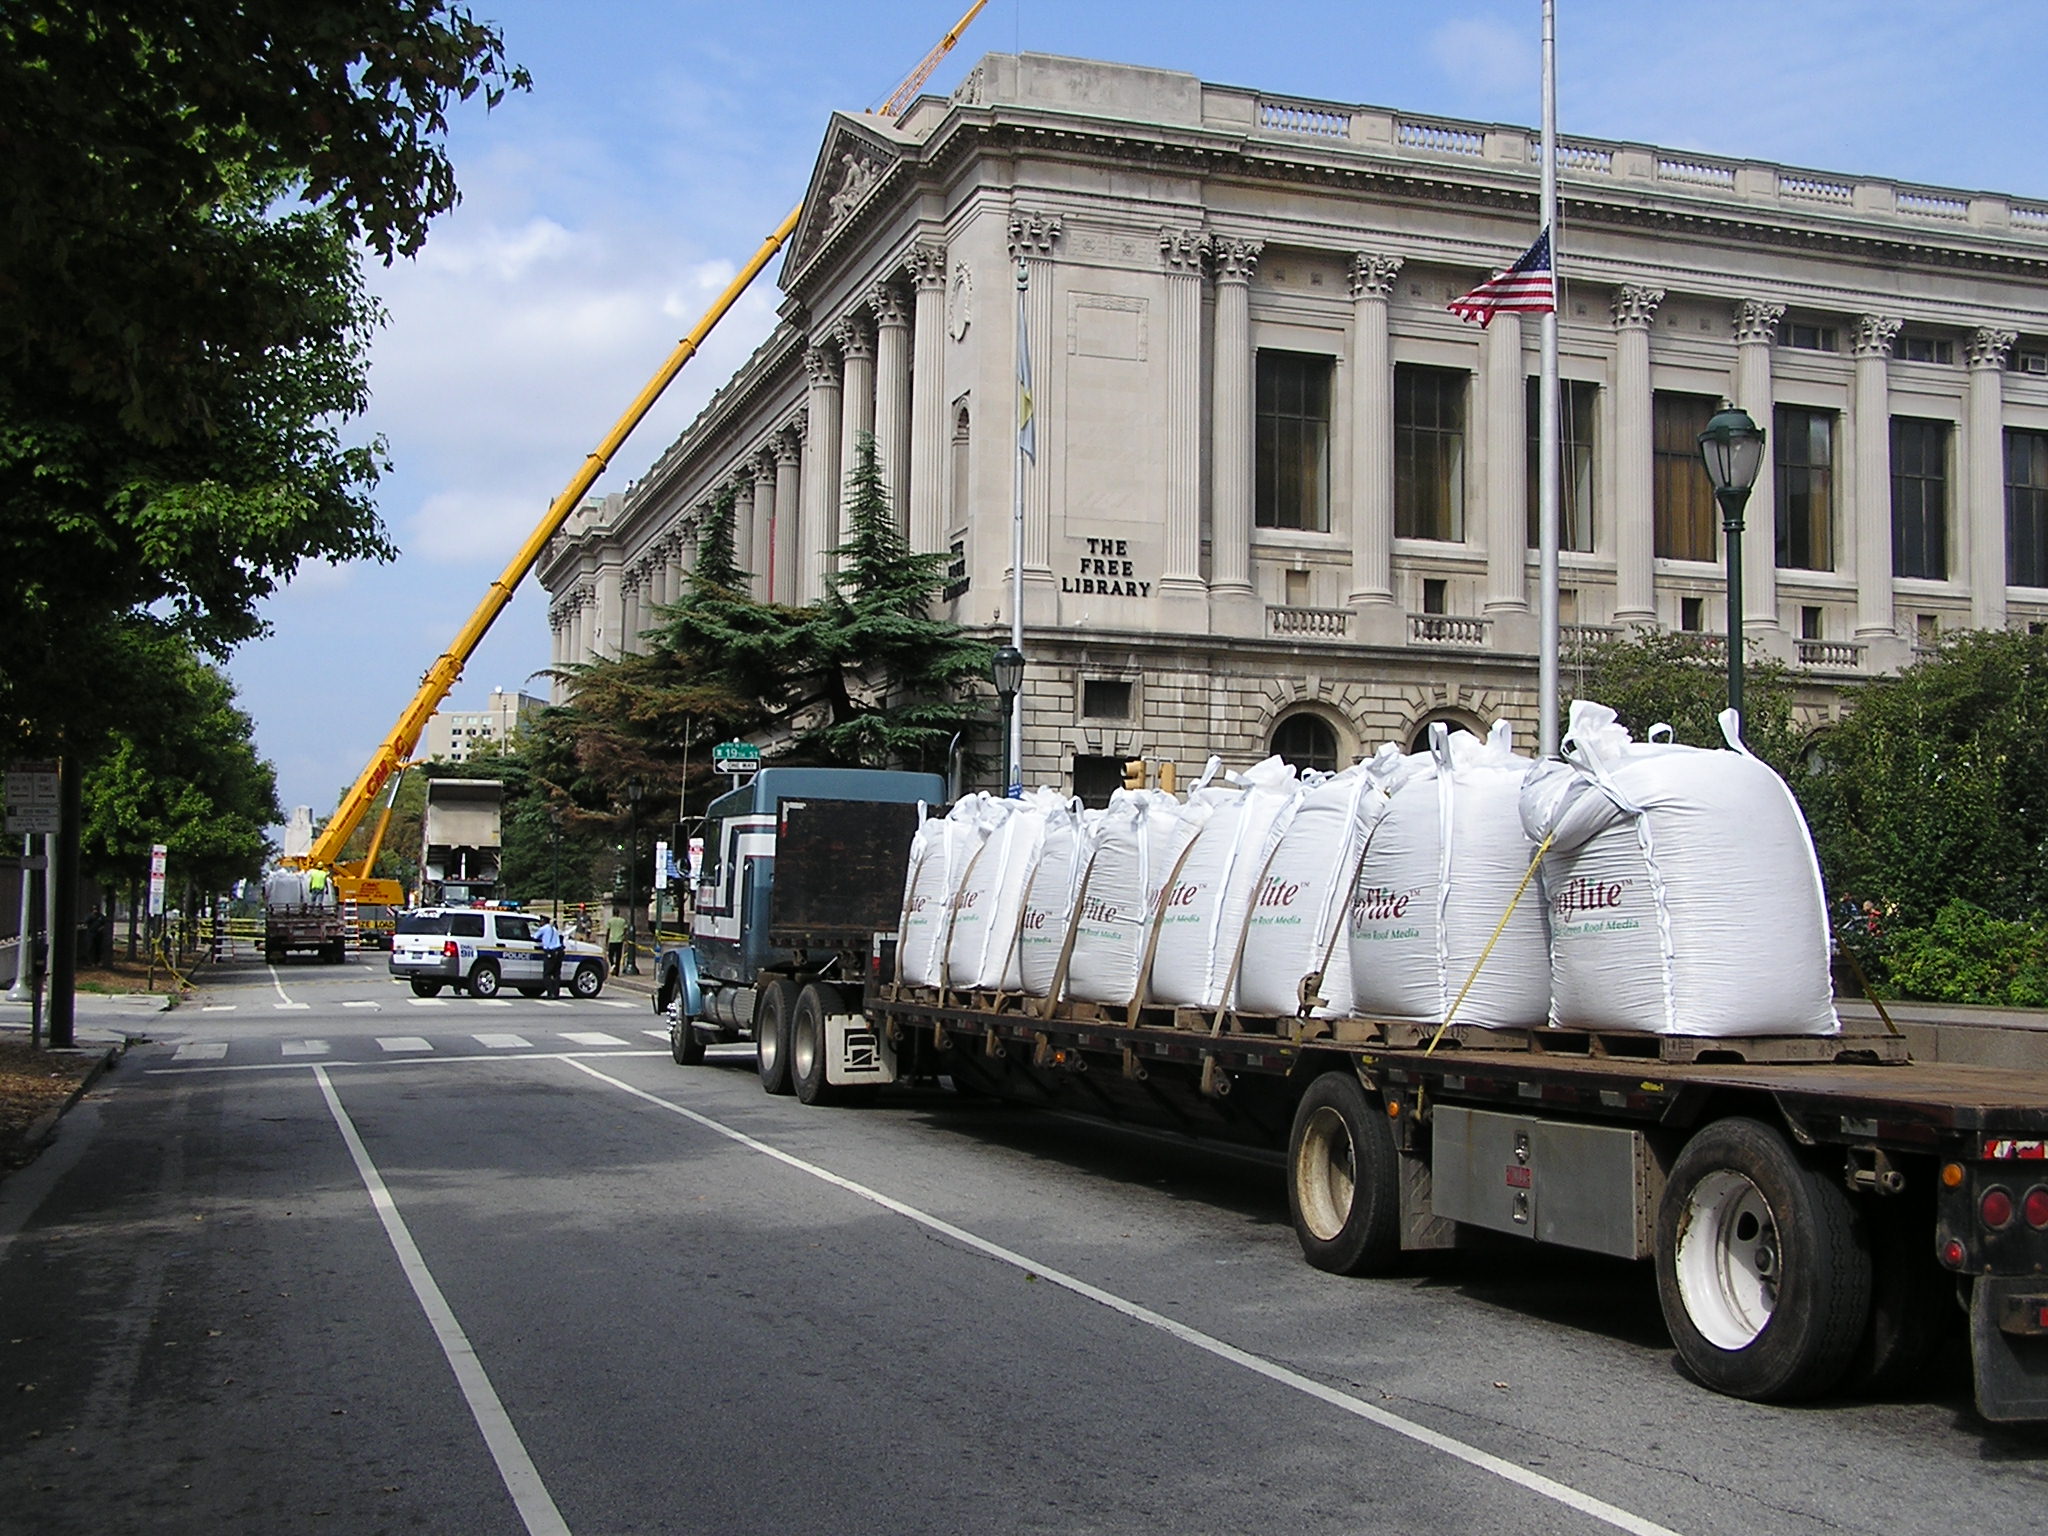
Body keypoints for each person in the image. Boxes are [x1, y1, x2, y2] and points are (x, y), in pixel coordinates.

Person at [536, 914, 565, 998]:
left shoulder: (544, 929)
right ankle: (556, 993)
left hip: (550, 952)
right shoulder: (554, 929)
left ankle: (550, 993)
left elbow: (534, 936)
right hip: (559, 952)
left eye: (541, 921)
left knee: (547, 974)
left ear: (543, 921)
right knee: (556, 974)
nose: (540, 923)